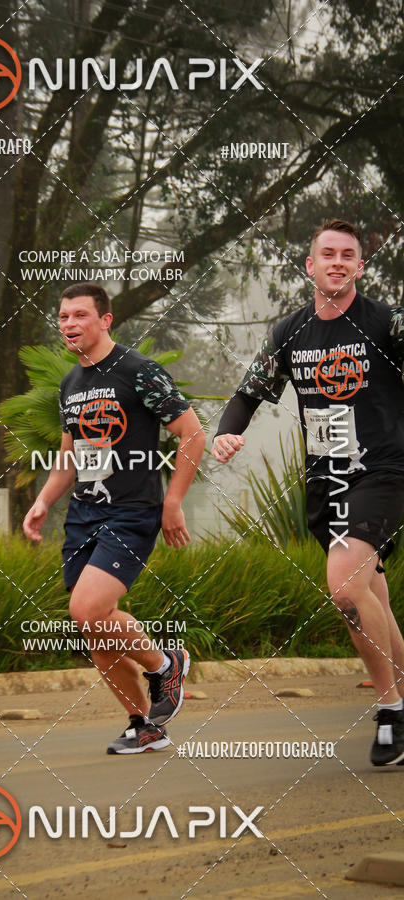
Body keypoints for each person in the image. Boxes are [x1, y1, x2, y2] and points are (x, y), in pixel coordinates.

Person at [212, 219, 404, 766]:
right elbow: (249, 392)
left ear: (359, 267)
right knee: (370, 596)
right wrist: (227, 432)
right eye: (328, 254)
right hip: (326, 480)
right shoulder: (290, 332)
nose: (337, 262)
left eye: (348, 255)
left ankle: (390, 712)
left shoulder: (388, 323)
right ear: (310, 265)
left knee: (344, 586)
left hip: (383, 470)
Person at [23, 283, 206, 754]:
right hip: (83, 515)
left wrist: (173, 502)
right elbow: (69, 458)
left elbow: (192, 433)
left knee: (86, 610)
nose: (69, 324)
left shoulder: (138, 371)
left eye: (79, 315)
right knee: (95, 627)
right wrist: (43, 502)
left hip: (131, 512)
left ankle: (166, 664)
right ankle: (144, 724)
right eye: (63, 317)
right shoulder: (70, 383)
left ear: (105, 320)